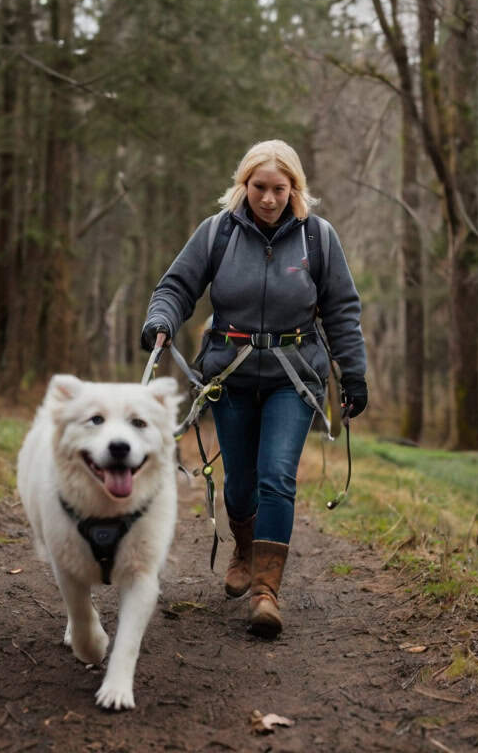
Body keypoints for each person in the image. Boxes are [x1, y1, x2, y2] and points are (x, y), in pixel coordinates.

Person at [140, 139, 367, 638]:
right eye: (259, 187)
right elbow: (177, 287)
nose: (268, 199)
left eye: (279, 189)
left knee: (276, 476)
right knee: (240, 485)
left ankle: (266, 592)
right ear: (243, 186)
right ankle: (243, 548)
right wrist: (161, 319)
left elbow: (342, 310)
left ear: (294, 189)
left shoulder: (318, 239)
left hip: (293, 376)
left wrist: (354, 374)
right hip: (232, 376)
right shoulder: (217, 233)